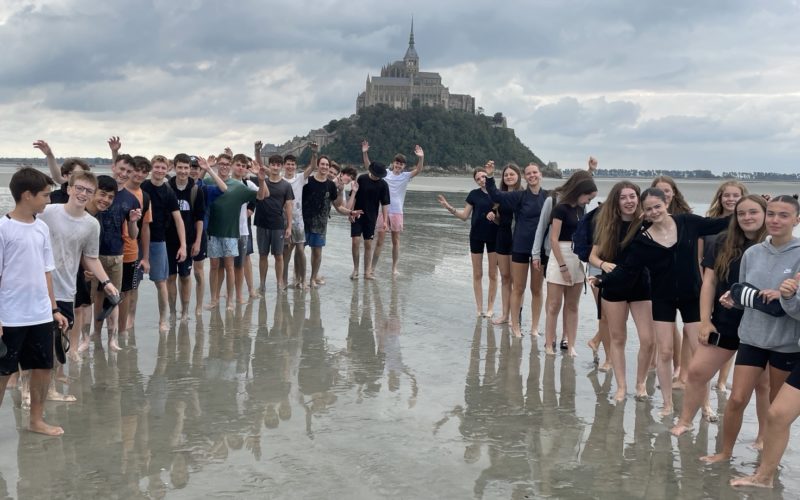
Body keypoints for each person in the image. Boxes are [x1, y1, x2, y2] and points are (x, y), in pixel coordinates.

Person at [596, 188, 729, 416]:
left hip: (691, 296)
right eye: (648, 209)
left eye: (657, 206)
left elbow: (718, 225)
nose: (654, 211)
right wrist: (602, 279)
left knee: (700, 352)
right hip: (662, 299)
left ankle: (705, 404)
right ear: (644, 213)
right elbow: (628, 270)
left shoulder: (687, 222)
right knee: (665, 352)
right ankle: (667, 404)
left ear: (666, 203)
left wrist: (750, 210)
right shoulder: (643, 241)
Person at [701, 195, 800, 463]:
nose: (776, 220)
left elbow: (797, 310)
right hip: (752, 338)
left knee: (775, 410)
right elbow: (748, 295)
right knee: (736, 400)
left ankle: (768, 462)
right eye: (772, 214)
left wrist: (785, 296)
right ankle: (724, 452)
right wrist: (734, 300)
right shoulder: (752, 253)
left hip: (785, 342)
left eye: (784, 215)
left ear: (796, 219)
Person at [670, 195, 769, 436]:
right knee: (696, 372)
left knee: (762, 385)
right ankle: (685, 421)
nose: (747, 217)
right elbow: (709, 282)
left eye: (753, 212)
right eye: (742, 213)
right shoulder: (724, 241)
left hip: (761, 328)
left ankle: (762, 437)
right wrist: (705, 320)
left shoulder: (771, 245)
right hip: (724, 322)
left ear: (765, 214)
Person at [0, 167, 69, 436]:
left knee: (43, 368)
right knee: (4, 372)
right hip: (10, 315)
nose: (48, 201)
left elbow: (46, 271)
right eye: (44, 195)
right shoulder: (4, 229)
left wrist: (53, 309)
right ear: (27, 195)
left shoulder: (41, 228)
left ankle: (36, 420)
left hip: (40, 313)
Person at [40, 172, 121, 400]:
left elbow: (91, 258)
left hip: (66, 288)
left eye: (88, 191)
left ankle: (53, 387)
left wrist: (106, 283)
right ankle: (27, 388)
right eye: (79, 188)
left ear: (93, 195)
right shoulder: (48, 212)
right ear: (68, 188)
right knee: (35, 339)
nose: (83, 194)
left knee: (59, 339)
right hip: (39, 287)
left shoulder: (91, 225)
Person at [587, 182, 655, 401]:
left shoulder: (646, 223)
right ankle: (621, 387)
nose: (629, 201)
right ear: (617, 201)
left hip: (641, 285)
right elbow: (593, 256)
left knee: (648, 339)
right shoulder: (607, 224)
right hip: (614, 285)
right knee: (618, 338)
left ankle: (641, 383)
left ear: (638, 198)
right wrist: (603, 264)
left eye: (633, 196)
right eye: (623, 197)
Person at [484, 161, 548, 336]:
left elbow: (571, 191)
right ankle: (515, 325)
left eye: (535, 172)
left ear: (540, 174)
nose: (532, 175)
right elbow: (496, 195)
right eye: (529, 173)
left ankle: (535, 327)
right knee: (518, 287)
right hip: (519, 246)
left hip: (539, 250)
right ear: (525, 177)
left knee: (537, 289)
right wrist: (489, 176)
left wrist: (588, 172)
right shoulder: (519, 196)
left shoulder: (548, 197)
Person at [83, 174, 140, 352]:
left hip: (116, 255)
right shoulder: (87, 213)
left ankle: (112, 339)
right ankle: (88, 338)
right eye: (102, 194)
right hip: (93, 258)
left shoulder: (130, 199)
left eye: (110, 197)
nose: (106, 199)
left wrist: (133, 222)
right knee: (87, 301)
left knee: (113, 297)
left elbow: (133, 234)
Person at [206, 154, 269, 311]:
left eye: (227, 164)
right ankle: (214, 299)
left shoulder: (240, 186)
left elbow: (261, 196)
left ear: (230, 165)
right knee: (214, 266)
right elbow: (194, 185)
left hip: (233, 232)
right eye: (221, 164)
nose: (224, 166)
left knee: (231, 266)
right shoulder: (208, 181)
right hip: (212, 232)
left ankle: (231, 301)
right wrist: (204, 168)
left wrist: (261, 180)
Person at [701, 180, 748, 391]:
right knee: (713, 339)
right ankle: (709, 379)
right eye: (726, 195)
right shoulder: (708, 224)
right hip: (710, 283)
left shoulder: (747, 225)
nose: (730, 199)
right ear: (719, 198)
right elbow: (699, 258)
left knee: (731, 337)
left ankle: (721, 382)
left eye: (735, 195)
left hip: (736, 289)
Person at [543, 178, 597, 356]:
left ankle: (570, 344)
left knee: (573, 305)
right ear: (580, 192)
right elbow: (553, 239)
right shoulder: (560, 208)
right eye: (589, 198)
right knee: (554, 304)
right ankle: (549, 343)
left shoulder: (582, 210)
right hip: (560, 254)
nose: (589, 202)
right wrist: (563, 267)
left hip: (578, 257)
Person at [437, 168, 498, 317]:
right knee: (477, 274)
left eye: (483, 176)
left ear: (488, 176)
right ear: (476, 181)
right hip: (476, 236)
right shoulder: (473, 194)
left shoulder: (497, 193)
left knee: (493, 274)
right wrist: (448, 207)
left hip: (495, 236)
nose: (482, 179)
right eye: (478, 179)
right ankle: (479, 308)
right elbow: (464, 216)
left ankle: (490, 308)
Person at [362, 140, 425, 276]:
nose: (398, 165)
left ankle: (394, 268)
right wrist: (365, 153)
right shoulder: (385, 174)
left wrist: (421, 157)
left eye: (401, 164)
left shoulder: (405, 176)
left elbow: (419, 169)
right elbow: (369, 167)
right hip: (383, 211)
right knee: (379, 241)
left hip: (397, 212)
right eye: (396, 163)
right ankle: (372, 268)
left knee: (396, 241)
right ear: (393, 163)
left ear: (403, 166)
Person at [302, 155, 362, 287]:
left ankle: (313, 277)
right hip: (304, 221)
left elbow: (340, 206)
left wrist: (351, 210)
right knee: (300, 250)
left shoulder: (334, 186)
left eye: (332, 171)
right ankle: (300, 278)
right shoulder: (309, 181)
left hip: (321, 224)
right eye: (328, 170)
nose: (330, 173)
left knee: (316, 252)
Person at [142, 155, 187, 331]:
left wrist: (183, 245)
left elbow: (178, 220)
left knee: (162, 282)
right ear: (151, 168)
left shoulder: (169, 192)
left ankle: (163, 319)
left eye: (163, 168)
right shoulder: (143, 187)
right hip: (138, 239)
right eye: (157, 167)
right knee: (131, 286)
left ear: (168, 169)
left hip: (158, 240)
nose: (160, 170)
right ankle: (129, 319)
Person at [167, 154, 206, 322]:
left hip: (189, 241)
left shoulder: (196, 190)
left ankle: (185, 310)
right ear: (174, 168)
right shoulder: (167, 188)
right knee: (170, 277)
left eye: (186, 168)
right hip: (168, 241)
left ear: (190, 169)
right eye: (180, 167)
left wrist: (197, 242)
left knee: (185, 276)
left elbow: (200, 219)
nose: (183, 171)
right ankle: (172, 311)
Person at [119, 155, 152, 337]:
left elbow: (146, 228)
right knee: (109, 289)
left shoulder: (145, 197)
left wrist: (146, 257)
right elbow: (117, 168)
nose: (139, 174)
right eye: (136, 170)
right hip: (113, 247)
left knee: (133, 287)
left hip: (134, 247)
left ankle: (130, 319)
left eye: (143, 172)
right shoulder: (117, 190)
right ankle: (112, 322)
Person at [254, 151, 294, 292]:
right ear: (269, 166)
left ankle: (279, 284)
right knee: (263, 255)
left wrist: (289, 226)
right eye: (273, 165)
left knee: (278, 256)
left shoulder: (286, 186)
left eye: (278, 165)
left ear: (281, 167)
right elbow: (254, 167)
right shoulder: (261, 181)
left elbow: (289, 206)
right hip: (262, 223)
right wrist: (257, 151)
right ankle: (262, 284)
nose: (275, 168)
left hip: (278, 224)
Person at [488, 162, 520, 326]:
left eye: (511, 174)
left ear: (518, 176)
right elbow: (499, 217)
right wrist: (494, 216)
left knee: (517, 281)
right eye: (506, 175)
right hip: (502, 237)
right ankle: (505, 315)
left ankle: (516, 316)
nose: (508, 177)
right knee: (505, 278)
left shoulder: (523, 194)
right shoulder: (499, 196)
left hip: (518, 240)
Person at [350, 161, 390, 280]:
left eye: (379, 175)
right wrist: (351, 212)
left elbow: (384, 204)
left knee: (368, 244)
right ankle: (356, 269)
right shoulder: (361, 179)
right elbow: (354, 195)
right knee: (355, 242)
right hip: (357, 215)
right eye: (376, 174)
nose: (377, 176)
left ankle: (367, 272)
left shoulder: (383, 185)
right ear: (371, 171)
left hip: (371, 217)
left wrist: (385, 221)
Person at [280, 152, 310, 289]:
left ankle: (303, 280)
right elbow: (264, 170)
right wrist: (257, 152)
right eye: (288, 164)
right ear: (284, 166)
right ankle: (284, 281)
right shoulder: (280, 179)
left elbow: (312, 167)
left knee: (300, 249)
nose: (290, 166)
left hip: (298, 220)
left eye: (293, 164)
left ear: (296, 166)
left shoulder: (300, 177)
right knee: (286, 251)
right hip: (284, 220)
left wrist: (314, 154)